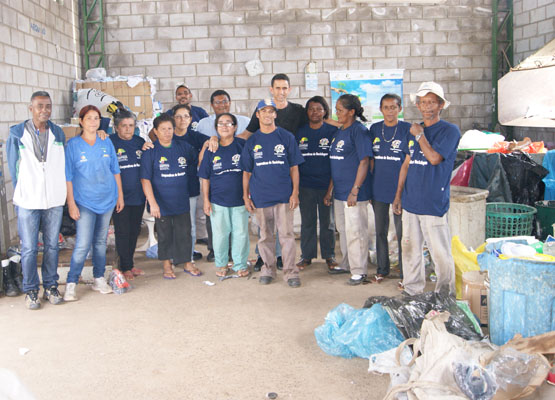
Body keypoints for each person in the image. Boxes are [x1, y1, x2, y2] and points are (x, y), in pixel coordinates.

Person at [393, 81, 461, 296]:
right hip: (411, 201)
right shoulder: (411, 131)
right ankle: (412, 290)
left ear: (441, 105)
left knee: (440, 252)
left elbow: (433, 158)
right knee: (410, 250)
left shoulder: (449, 131)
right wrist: (398, 196)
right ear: (418, 106)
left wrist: (420, 135)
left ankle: (445, 294)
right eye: (423, 102)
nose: (427, 106)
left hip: (432, 202)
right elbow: (406, 164)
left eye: (432, 102)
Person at [6, 91, 66, 309]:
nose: (45, 110)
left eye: (48, 106)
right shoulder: (16, 134)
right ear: (30, 108)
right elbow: (14, 167)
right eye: (40, 106)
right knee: (29, 247)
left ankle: (50, 286)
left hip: (54, 200)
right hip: (28, 200)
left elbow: (61, 165)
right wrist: (25, 191)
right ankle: (31, 290)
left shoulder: (58, 133)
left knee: (52, 245)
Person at [64, 105, 124, 301]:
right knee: (82, 243)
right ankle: (71, 283)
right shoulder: (73, 145)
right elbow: (68, 176)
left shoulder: (106, 142)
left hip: (107, 199)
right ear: (81, 121)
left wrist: (119, 196)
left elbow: (115, 170)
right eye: (88, 118)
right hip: (84, 202)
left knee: (100, 242)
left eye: (96, 118)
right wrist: (71, 203)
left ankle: (99, 278)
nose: (92, 122)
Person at [241, 99, 304, 288]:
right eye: (263, 111)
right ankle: (268, 269)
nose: (267, 115)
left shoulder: (286, 137)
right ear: (257, 115)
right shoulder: (252, 141)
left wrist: (295, 193)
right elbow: (246, 172)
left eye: (271, 111)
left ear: (275, 114)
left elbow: (294, 168)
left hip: (284, 196)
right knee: (265, 236)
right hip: (260, 196)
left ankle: (291, 272)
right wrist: (246, 196)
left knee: (286, 235)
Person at [140, 114, 200, 279]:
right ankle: (167, 264)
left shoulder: (184, 147)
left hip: (181, 199)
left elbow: (198, 161)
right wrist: (153, 203)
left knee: (184, 232)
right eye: (163, 129)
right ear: (155, 131)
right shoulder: (150, 151)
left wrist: (211, 142)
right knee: (165, 234)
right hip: (161, 202)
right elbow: (145, 180)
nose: (167, 132)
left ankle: (186, 262)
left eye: (170, 129)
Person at [324, 94, 373, 285]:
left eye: (340, 110)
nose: (337, 113)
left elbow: (364, 161)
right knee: (343, 230)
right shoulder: (341, 131)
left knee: (356, 231)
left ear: (352, 112)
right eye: (336, 110)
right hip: (340, 191)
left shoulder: (358, 131)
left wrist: (355, 190)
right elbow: (336, 164)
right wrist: (330, 190)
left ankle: (359, 271)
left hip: (354, 192)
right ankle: (347, 263)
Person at [198, 113, 249, 277]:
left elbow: (249, 172)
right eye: (221, 124)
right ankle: (221, 264)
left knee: (240, 233)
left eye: (229, 123)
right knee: (220, 234)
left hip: (240, 199)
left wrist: (248, 196)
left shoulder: (242, 145)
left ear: (235, 127)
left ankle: (239, 265)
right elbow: (205, 177)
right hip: (218, 200)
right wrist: (206, 200)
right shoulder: (211, 148)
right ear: (216, 128)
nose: (225, 126)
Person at [369, 94, 411, 284]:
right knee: (380, 231)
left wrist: (400, 194)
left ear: (399, 109)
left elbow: (409, 162)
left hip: (400, 190)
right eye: (386, 107)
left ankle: (405, 272)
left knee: (402, 233)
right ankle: (382, 269)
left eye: (393, 107)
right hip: (378, 189)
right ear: (381, 110)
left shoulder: (407, 129)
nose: (390, 111)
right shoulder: (375, 129)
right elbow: (370, 161)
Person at [295, 96, 338, 271]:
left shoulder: (331, 132)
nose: (315, 112)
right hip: (305, 186)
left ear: (325, 112)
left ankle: (329, 255)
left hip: (326, 186)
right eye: (311, 109)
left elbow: (336, 162)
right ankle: (307, 256)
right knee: (308, 222)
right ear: (307, 112)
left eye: (319, 109)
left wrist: (330, 189)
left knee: (327, 223)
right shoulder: (300, 132)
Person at [109, 109, 146, 281]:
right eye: (123, 126)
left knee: (134, 230)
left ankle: (129, 264)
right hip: (120, 198)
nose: (128, 129)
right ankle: (124, 267)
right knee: (123, 232)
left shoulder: (140, 142)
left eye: (131, 126)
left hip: (138, 195)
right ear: (116, 128)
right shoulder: (110, 142)